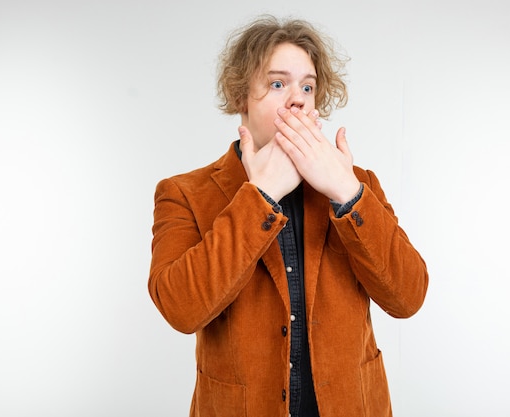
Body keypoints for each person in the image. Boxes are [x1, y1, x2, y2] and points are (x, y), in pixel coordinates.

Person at [148, 15, 428, 417]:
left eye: (308, 86)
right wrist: (260, 196)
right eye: (278, 83)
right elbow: (180, 308)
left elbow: (408, 297)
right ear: (241, 96)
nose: (297, 98)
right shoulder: (183, 193)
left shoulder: (357, 183)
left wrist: (346, 194)